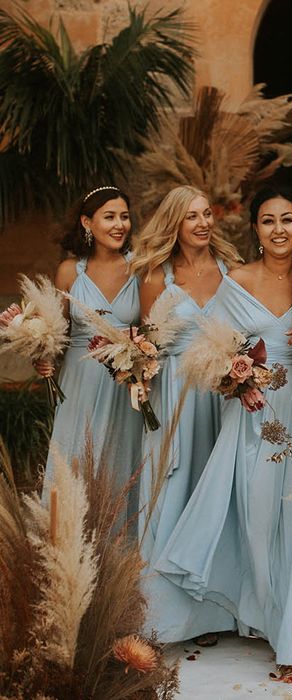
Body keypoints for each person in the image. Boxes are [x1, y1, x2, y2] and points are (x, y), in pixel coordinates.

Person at [152, 186, 292, 680]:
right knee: (260, 521)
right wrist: (233, 380)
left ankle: (285, 632)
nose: (279, 229)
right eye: (268, 221)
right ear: (256, 230)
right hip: (254, 413)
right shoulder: (236, 281)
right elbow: (211, 351)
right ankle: (268, 620)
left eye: (288, 219)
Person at [130, 185, 242, 644]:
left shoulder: (230, 270)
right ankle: (164, 616)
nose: (202, 223)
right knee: (172, 490)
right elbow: (146, 345)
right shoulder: (158, 275)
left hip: (222, 393)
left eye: (206, 214)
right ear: (174, 222)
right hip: (175, 393)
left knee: (216, 495)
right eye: (191, 216)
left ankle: (211, 611)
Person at [38, 186, 143, 522]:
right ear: (87, 222)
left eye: (124, 217)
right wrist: (41, 355)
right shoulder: (70, 272)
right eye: (109, 217)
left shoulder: (141, 268)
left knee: (120, 468)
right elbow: (56, 334)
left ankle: (119, 564)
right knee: (74, 465)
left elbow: (156, 327)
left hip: (125, 385)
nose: (119, 225)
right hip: (80, 385)